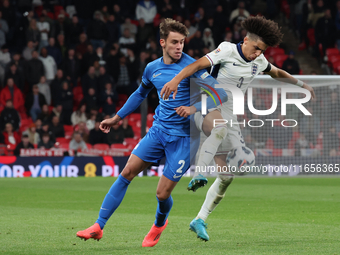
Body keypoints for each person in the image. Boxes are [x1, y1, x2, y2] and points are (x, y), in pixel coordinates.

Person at [161, 15, 316, 241]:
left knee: (227, 177)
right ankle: (199, 173)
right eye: (255, 48)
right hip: (206, 105)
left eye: (262, 51)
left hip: (229, 116)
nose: (257, 54)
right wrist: (175, 80)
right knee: (220, 128)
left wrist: (302, 84)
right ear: (245, 40)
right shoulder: (226, 50)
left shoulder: (259, 61)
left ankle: (199, 220)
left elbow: (277, 72)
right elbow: (196, 64)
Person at [76, 18, 227, 247]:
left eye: (182, 42)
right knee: (126, 172)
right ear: (162, 42)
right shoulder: (152, 68)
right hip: (158, 132)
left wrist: (194, 108)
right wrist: (117, 118)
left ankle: (159, 224)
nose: (179, 47)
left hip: (184, 139)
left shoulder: (191, 67)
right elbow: (140, 93)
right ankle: (98, 226)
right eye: (175, 42)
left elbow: (221, 95)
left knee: (162, 194)